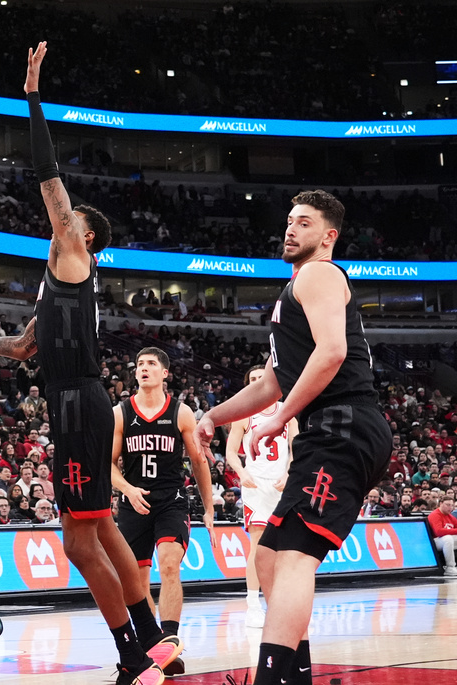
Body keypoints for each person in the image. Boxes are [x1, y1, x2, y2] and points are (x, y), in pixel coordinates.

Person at [0, 42, 178, 685]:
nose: (52, 223)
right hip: (77, 400)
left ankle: (134, 652)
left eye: (65, 220)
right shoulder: (57, 287)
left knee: (80, 542)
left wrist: (33, 96)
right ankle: (156, 647)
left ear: (83, 234)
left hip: (78, 401)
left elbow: (46, 174)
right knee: (99, 536)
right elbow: (20, 350)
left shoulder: (73, 253)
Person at [196, 190, 392, 685]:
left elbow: (331, 353)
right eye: (288, 220)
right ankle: (294, 674)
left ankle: (271, 679)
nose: (290, 229)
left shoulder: (321, 274)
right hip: (332, 428)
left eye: (303, 222)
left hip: (343, 424)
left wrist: (281, 418)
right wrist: (213, 418)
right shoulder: (295, 293)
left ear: (328, 236)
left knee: (295, 554)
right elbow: (269, 384)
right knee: (268, 555)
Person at [111, 346, 215, 675]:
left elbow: (199, 463)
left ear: (164, 373)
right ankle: (151, 643)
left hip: (171, 500)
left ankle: (169, 640)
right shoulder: (121, 412)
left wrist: (209, 508)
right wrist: (126, 488)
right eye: (139, 364)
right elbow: (108, 465)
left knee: (169, 565)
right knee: (137, 579)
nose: (144, 368)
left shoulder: (181, 412)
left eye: (151, 364)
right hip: (133, 503)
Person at [224, 365, 299, 627]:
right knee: (257, 544)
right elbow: (231, 452)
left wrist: (290, 474)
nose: (257, 382)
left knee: (283, 548)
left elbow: (296, 450)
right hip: (255, 485)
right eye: (252, 379)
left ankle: (279, 601)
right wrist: (240, 472)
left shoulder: (288, 413)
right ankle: (253, 604)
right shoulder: (244, 415)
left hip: (281, 486)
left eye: (261, 378)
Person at [428, 495, 457, 577]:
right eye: (448, 505)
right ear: (440, 503)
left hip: (446, 540)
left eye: (452, 505)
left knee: (449, 538)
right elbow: (438, 532)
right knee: (448, 539)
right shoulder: (435, 515)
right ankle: (450, 567)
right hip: (435, 541)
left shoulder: (451, 517)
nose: (450, 508)